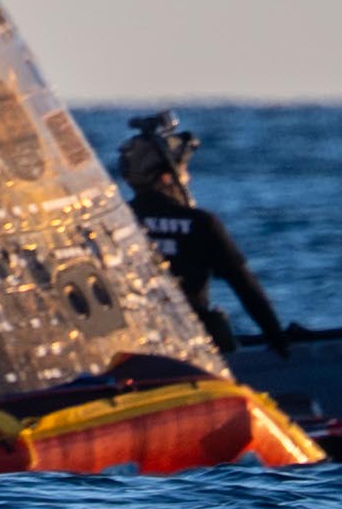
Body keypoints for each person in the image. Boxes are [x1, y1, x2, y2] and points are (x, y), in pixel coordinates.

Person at [114, 113, 292, 349]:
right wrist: (277, 338)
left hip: (136, 345)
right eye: (184, 169)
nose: (188, 177)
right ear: (167, 178)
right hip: (194, 348)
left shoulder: (117, 222)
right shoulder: (200, 223)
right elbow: (243, 284)